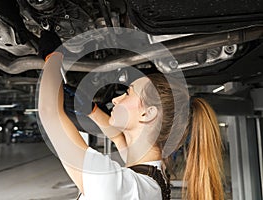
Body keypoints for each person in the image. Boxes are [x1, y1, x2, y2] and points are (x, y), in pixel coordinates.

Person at [37, 31, 224, 200]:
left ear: (148, 113)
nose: (116, 99)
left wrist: (53, 56)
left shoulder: (118, 185)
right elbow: (118, 138)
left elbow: (49, 112)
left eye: (128, 93)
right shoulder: (150, 175)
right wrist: (91, 110)